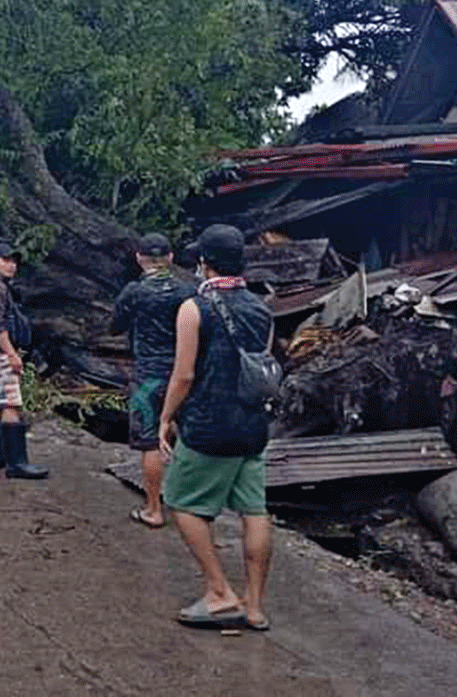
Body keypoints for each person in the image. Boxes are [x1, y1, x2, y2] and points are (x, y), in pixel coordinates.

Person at [158, 224, 273, 632]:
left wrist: (166, 417)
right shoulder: (262, 308)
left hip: (210, 425)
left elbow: (184, 374)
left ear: (204, 263)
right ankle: (255, 607)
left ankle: (219, 591)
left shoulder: (194, 308)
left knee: (180, 502)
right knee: (254, 511)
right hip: (253, 424)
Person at [110, 233, 194, 528]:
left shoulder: (134, 292)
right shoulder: (188, 291)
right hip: (184, 374)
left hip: (147, 377)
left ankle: (154, 509)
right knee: (188, 437)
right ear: (170, 258)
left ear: (139, 258)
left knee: (149, 443)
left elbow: (115, 326)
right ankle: (190, 505)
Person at [0, 243, 48, 479]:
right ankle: (17, 463)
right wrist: (11, 353)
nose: (11, 265)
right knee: (11, 404)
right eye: (6, 260)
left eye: (14, 261)